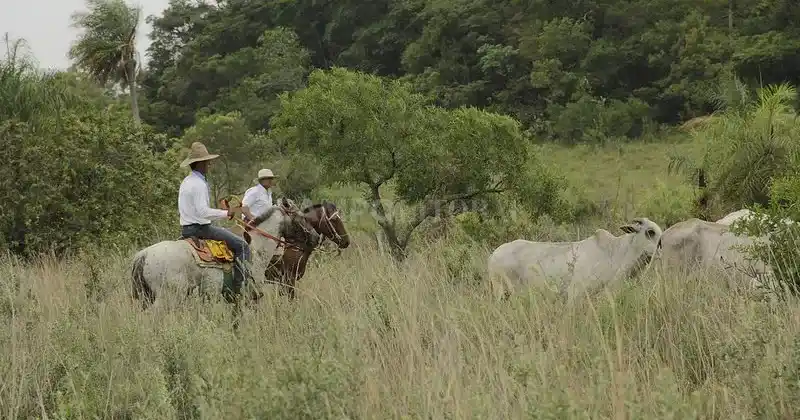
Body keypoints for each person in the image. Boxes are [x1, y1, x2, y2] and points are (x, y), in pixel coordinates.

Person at [178, 142, 251, 302]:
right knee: (242, 246)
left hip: (186, 229)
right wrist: (227, 212)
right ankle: (240, 289)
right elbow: (203, 212)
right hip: (200, 229)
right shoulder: (198, 184)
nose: (209, 164)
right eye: (207, 162)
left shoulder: (187, 182)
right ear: (201, 163)